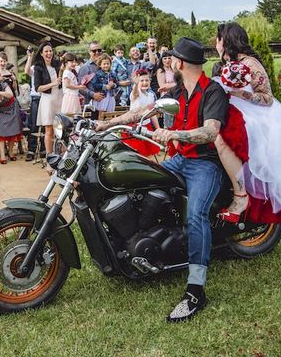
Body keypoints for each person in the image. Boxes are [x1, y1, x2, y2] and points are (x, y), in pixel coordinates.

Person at [98, 37, 229, 322]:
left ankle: (196, 290)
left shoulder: (213, 91)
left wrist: (175, 135)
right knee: (144, 186)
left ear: (181, 63)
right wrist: (105, 124)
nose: (168, 62)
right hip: (181, 160)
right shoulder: (180, 91)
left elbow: (210, 132)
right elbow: (145, 110)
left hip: (205, 164)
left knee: (196, 215)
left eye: (172, 59)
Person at [213, 23, 281, 223]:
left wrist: (238, 93)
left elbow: (267, 98)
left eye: (218, 39)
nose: (215, 44)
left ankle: (240, 195)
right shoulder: (226, 65)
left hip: (253, 117)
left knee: (222, 139)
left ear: (226, 41)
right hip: (229, 112)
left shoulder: (250, 64)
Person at [33, 43, 62, 169]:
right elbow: (38, 88)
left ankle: (60, 156)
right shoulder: (38, 67)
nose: (49, 53)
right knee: (49, 130)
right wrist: (53, 83)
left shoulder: (57, 64)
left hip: (59, 98)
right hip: (47, 100)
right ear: (41, 53)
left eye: (50, 51)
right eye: (46, 51)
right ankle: (49, 159)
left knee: (60, 130)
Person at [24, 46, 42, 161]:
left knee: (46, 125)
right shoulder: (34, 67)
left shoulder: (49, 68)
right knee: (34, 124)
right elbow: (26, 71)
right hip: (36, 97)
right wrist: (29, 56)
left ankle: (44, 149)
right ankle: (32, 149)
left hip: (47, 97)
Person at [77, 41, 105, 109]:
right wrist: (93, 94)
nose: (97, 53)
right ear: (89, 52)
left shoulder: (106, 66)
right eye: (94, 51)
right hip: (91, 104)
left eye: (99, 50)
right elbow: (80, 87)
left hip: (105, 102)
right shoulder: (85, 67)